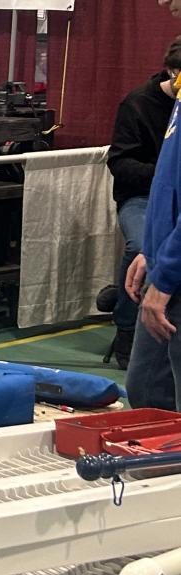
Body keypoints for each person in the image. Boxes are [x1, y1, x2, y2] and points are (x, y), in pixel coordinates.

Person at [126, 0, 181, 411]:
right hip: (168, 263)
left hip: (176, 277)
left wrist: (168, 272)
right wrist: (153, 250)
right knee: (146, 399)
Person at [103, 37, 181, 369]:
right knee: (140, 245)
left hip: (170, 197)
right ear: (170, 71)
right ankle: (125, 325)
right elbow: (120, 164)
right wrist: (163, 177)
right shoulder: (137, 104)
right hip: (141, 197)